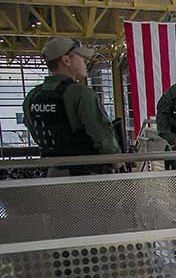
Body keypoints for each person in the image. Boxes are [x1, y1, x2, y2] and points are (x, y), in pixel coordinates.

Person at [23, 37, 120, 176]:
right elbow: (100, 133)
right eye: (81, 57)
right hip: (85, 174)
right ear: (66, 60)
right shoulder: (81, 93)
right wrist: (116, 159)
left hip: (52, 172)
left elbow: (33, 128)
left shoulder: (32, 96)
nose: (85, 62)